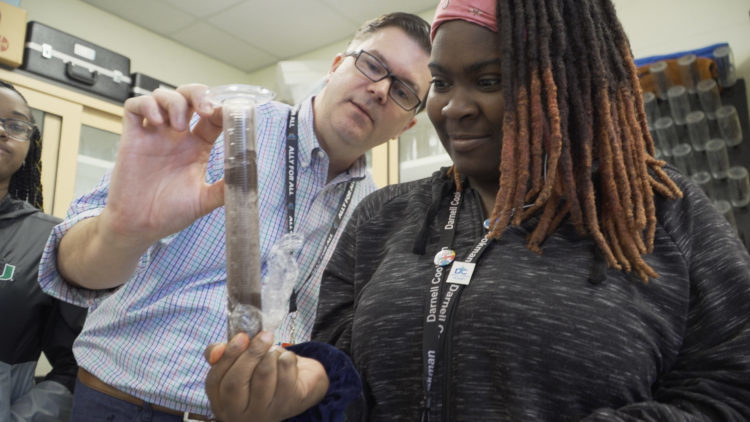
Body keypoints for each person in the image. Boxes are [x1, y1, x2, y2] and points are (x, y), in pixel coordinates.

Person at [204, 0, 750, 420]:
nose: (455, 107)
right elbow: (342, 377)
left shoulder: (665, 217)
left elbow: (731, 386)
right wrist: (302, 394)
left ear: (564, 84)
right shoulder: (382, 220)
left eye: (488, 81)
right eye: (440, 83)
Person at [37, 12, 432, 420]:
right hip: (123, 403)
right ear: (336, 66)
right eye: (372, 64)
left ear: (408, 125)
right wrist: (120, 234)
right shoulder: (222, 127)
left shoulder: (375, 213)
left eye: (403, 90)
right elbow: (70, 267)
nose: (381, 89)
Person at [0, 80, 86, 421]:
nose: (2, 131)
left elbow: (76, 362)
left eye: (16, 125)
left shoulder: (49, 240)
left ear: (28, 148)